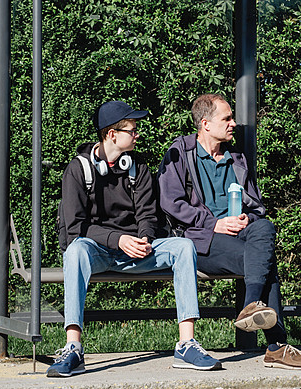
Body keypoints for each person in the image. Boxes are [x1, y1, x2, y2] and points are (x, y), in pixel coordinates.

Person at [47, 101, 221, 377]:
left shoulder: (137, 166)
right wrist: (118, 240)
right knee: (76, 251)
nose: (137, 135)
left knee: (183, 246)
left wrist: (144, 238)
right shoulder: (78, 169)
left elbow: (147, 215)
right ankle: (73, 348)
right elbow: (75, 228)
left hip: (138, 251)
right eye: (132, 130)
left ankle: (186, 344)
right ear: (112, 134)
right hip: (99, 252)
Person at [158, 93, 301, 370]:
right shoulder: (181, 153)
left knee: (265, 226)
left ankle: (252, 305)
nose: (233, 123)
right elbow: (171, 203)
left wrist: (248, 217)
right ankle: (277, 345)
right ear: (205, 124)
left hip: (239, 234)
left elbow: (258, 207)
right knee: (265, 263)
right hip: (200, 239)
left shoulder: (236, 158)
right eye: (227, 118)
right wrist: (214, 224)